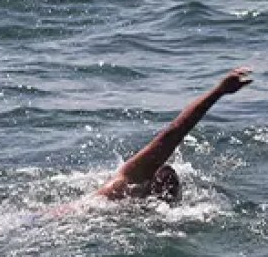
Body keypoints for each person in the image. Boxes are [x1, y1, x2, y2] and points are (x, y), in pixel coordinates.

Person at [0, 66, 253, 236]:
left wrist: (218, 91)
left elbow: (171, 134)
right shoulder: (132, 188)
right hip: (49, 225)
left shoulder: (124, 193)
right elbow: (172, 135)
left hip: (50, 221)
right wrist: (217, 92)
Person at [95, 66, 253, 202]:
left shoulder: (118, 189)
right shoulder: (127, 186)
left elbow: (174, 132)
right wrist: (219, 92)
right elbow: (174, 132)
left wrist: (218, 91)